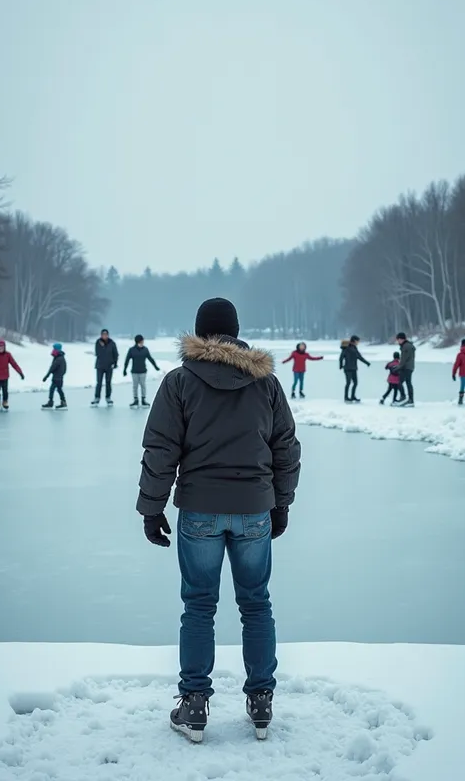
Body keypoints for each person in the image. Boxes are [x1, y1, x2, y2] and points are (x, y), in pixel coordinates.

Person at [136, 297, 301, 743]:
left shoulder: (179, 382)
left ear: (198, 332)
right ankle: (261, 700)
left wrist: (152, 508)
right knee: (256, 604)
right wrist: (280, 502)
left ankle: (193, 704)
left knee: (199, 606)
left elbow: (161, 450)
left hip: (200, 511)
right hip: (253, 510)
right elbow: (285, 447)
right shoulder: (265, 383)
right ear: (235, 331)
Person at [123, 334, 160, 408]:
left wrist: (156, 366)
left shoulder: (145, 349)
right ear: (138, 341)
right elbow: (127, 360)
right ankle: (135, 400)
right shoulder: (132, 350)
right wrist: (125, 369)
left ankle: (143, 400)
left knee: (143, 385)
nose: (143, 342)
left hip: (143, 371)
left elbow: (150, 358)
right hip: (134, 371)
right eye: (142, 341)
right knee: (135, 386)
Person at [339, 335, 370, 403]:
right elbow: (341, 357)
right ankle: (346, 397)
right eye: (357, 341)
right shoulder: (346, 347)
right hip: (347, 368)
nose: (358, 342)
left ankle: (353, 396)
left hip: (354, 368)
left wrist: (366, 362)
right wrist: (341, 365)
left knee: (355, 383)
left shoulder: (355, 348)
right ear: (354, 340)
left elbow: (359, 357)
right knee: (348, 383)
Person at [92, 329, 119, 406]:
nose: (104, 336)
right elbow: (98, 353)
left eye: (106, 334)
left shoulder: (112, 343)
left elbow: (115, 354)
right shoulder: (98, 342)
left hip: (109, 366)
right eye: (103, 334)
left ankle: (108, 397)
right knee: (99, 382)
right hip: (100, 366)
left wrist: (115, 363)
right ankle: (97, 397)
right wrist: (103, 347)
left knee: (108, 382)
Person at [41, 343, 67, 409]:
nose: (53, 350)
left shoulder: (59, 359)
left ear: (57, 350)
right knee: (56, 389)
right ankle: (60, 402)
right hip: (58, 377)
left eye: (54, 349)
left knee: (55, 389)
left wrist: (46, 376)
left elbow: (52, 368)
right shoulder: (59, 357)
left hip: (57, 378)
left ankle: (55, 403)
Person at [395, 332, 416, 407]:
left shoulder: (406, 347)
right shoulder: (407, 346)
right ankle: (407, 398)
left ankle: (407, 399)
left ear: (401, 339)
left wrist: (398, 368)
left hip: (407, 367)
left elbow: (404, 359)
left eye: (398, 340)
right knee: (406, 382)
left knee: (401, 382)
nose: (398, 342)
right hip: (408, 367)